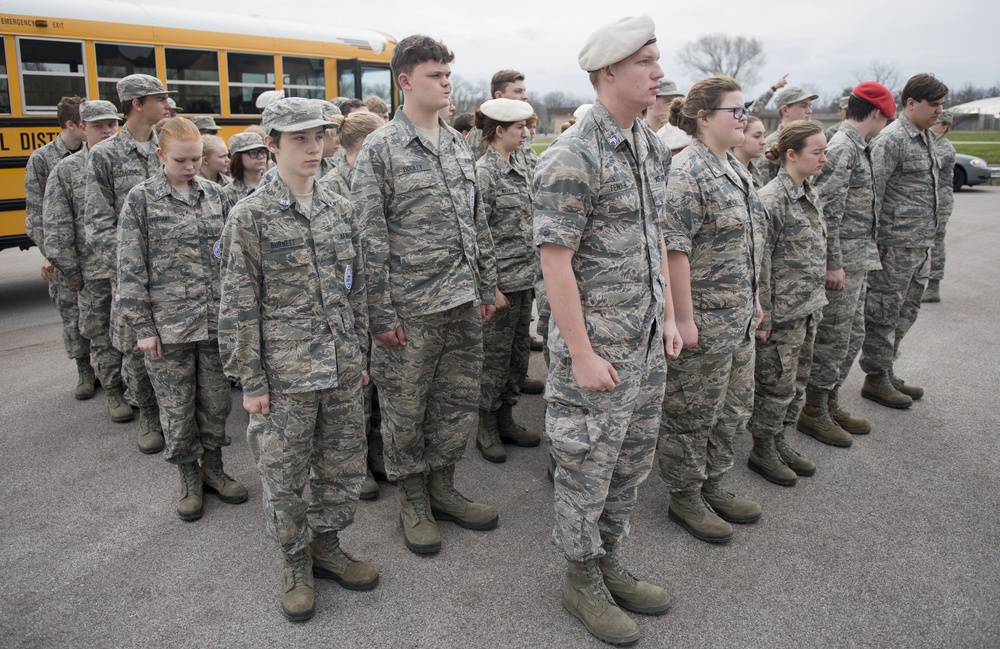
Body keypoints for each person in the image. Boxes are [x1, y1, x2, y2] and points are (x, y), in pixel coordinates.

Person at [535, 15, 681, 645]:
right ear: (608, 72)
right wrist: (581, 353)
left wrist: (671, 317)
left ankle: (609, 558)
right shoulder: (574, 153)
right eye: (646, 62)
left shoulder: (647, 145)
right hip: (597, 355)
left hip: (644, 345)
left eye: (657, 60)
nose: (658, 73)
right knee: (586, 466)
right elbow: (554, 260)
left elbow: (657, 243)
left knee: (628, 465)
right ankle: (580, 577)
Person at [219, 97, 378, 622]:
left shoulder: (339, 206)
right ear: (270, 145)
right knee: (284, 475)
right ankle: (293, 561)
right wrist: (252, 380)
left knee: (340, 464)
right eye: (299, 139)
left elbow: (355, 289)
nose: (313, 148)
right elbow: (239, 305)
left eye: (319, 137)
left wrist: (356, 354)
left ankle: (325, 545)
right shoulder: (250, 217)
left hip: (338, 366)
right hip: (283, 377)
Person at [351, 35, 499, 556]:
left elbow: (476, 221)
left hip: (460, 300)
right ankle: (412, 498)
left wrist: (486, 285)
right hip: (409, 308)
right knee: (405, 407)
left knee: (456, 401)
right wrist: (379, 313)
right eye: (436, 75)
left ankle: (443, 485)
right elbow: (367, 237)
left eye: (447, 74)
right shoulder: (381, 148)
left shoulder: (457, 143)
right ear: (406, 81)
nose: (447, 82)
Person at [117, 117, 246, 521]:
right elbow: (131, 268)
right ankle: (189, 479)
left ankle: (215, 470)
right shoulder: (140, 200)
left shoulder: (217, 195)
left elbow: (233, 257)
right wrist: (142, 329)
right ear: (160, 155)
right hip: (167, 327)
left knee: (216, 402)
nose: (191, 167)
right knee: (176, 407)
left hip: (212, 322)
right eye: (181, 160)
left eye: (195, 159)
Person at [657, 75, 766, 544]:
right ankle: (685, 495)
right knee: (693, 412)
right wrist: (683, 318)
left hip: (737, 316)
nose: (743, 118)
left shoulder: (735, 169)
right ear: (704, 118)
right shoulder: (688, 172)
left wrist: (756, 299)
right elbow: (673, 250)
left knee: (733, 408)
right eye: (735, 111)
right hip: (704, 320)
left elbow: (745, 245)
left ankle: (713, 482)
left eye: (745, 110)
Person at [799, 82, 895, 444]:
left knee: (850, 335)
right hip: (843, 261)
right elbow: (827, 212)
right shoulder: (842, 148)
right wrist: (833, 263)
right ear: (875, 113)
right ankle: (814, 410)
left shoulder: (859, 147)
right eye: (887, 115)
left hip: (857, 258)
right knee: (833, 338)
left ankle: (829, 400)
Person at [86, 73, 173, 454]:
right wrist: (128, 267)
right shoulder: (104, 154)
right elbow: (97, 223)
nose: (168, 105)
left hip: (174, 269)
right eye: (160, 99)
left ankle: (177, 415)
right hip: (133, 272)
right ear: (137, 104)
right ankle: (150, 416)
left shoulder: (167, 146)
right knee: (138, 349)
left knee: (172, 347)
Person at [748, 120, 829, 486]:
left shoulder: (808, 192)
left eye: (825, 151)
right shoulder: (771, 200)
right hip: (781, 316)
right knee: (775, 384)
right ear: (791, 155)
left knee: (797, 380)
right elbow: (760, 263)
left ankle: (781, 438)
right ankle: (763, 447)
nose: (824, 158)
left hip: (807, 307)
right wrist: (763, 319)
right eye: (818, 152)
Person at [861, 73, 948, 408]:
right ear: (911, 103)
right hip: (893, 246)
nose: (939, 110)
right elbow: (874, 194)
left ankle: (887, 367)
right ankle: (876, 376)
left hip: (920, 243)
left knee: (907, 310)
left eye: (942, 104)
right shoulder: (891, 139)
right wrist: (873, 246)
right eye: (934, 104)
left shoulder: (925, 137)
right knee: (884, 312)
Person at [42, 100, 130, 423]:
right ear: (81, 128)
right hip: (92, 271)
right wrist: (70, 271)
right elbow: (56, 226)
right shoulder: (66, 171)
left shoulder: (125, 163)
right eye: (98, 126)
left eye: (112, 125)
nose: (107, 131)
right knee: (101, 333)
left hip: (126, 268)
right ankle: (114, 392)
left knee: (131, 334)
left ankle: (136, 389)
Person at [318, 110, 387, 500]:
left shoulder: (376, 176)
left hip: (381, 296)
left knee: (380, 380)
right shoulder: (331, 188)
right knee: (356, 385)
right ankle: (355, 461)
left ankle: (376, 448)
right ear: (363, 145)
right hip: (348, 301)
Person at [473, 98, 541, 464]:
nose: (527, 133)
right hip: (499, 285)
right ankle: (485, 424)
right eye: (520, 128)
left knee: (516, 358)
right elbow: (475, 233)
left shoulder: (520, 167)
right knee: (493, 361)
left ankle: (506, 416)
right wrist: (489, 286)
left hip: (524, 279)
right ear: (499, 131)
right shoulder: (484, 174)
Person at [24, 96, 90, 399]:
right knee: (72, 317)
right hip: (64, 255)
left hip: (94, 253)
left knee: (100, 319)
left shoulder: (95, 155)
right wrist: (52, 256)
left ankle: (109, 371)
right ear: (71, 125)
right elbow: (37, 216)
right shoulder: (42, 159)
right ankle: (85, 373)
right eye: (86, 123)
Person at [923, 109, 956, 303]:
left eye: (935, 122)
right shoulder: (931, 143)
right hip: (929, 202)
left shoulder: (944, 148)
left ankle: (934, 285)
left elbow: (929, 164)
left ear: (944, 127)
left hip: (940, 203)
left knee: (936, 243)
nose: (931, 125)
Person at [755, 86, 819, 185]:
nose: (809, 111)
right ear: (785, 110)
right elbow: (765, 187)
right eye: (803, 106)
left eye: (809, 106)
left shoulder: (808, 141)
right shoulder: (771, 144)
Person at [221, 131, 268, 215]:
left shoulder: (274, 184)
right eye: (253, 153)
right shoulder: (228, 193)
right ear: (238, 157)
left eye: (263, 152)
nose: (261, 156)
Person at [732, 114, 768, 189]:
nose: (764, 141)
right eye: (757, 136)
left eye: (764, 136)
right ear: (739, 137)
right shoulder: (729, 173)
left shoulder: (755, 172)